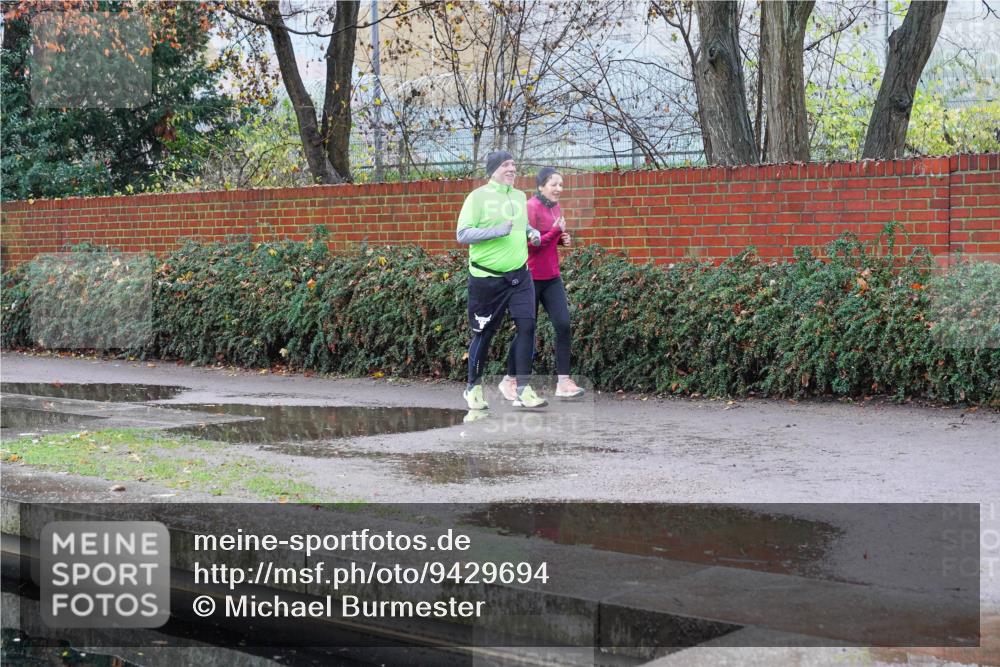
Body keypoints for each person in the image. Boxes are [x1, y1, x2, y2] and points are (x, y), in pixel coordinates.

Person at [456, 150, 548, 411]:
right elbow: (462, 234)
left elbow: (521, 226)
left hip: (519, 276)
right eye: (506, 165)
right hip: (487, 279)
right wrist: (496, 231)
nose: (512, 169)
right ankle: (473, 387)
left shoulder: (519, 197)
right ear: (493, 170)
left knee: (527, 327)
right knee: (484, 334)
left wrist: (532, 233)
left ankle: (523, 389)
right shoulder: (478, 197)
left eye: (514, 165)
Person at [498, 167, 585, 400]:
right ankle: (510, 380)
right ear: (540, 186)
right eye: (554, 184)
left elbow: (548, 239)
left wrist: (561, 239)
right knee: (526, 330)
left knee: (564, 324)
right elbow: (530, 244)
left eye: (561, 185)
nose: (559, 189)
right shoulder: (530, 208)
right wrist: (555, 231)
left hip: (552, 277)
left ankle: (564, 382)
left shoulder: (554, 206)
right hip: (530, 278)